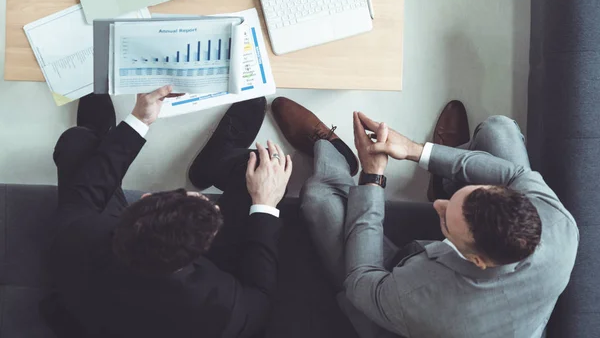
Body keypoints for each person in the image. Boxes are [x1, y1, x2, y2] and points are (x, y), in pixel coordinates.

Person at [271, 97, 579, 338]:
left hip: (402, 305)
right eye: (457, 198)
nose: (437, 207)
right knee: (499, 130)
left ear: (476, 260)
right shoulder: (558, 223)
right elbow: (513, 173)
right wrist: (415, 151)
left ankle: (330, 150)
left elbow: (362, 279)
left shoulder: (425, 299)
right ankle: (443, 179)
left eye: (445, 218)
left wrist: (373, 176)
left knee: (318, 200)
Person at [46, 86, 292, 338]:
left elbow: (86, 190)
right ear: (202, 250)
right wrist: (266, 205)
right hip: (138, 309)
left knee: (77, 144)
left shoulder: (76, 236)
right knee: (262, 167)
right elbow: (260, 297)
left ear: (146, 199)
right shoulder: (223, 307)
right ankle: (216, 159)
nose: (209, 202)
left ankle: (102, 136)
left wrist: (140, 119)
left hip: (92, 303)